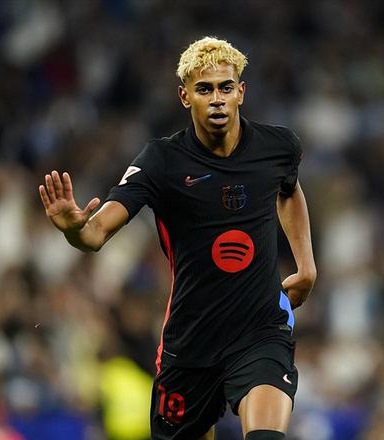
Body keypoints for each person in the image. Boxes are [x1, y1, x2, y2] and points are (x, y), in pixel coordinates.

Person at [39, 36, 316, 440]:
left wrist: (306, 265)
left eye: (225, 87)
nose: (217, 99)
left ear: (241, 92)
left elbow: (289, 190)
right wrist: (74, 228)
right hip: (191, 343)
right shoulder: (161, 162)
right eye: (204, 89)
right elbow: (96, 235)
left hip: (260, 331)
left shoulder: (278, 147)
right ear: (185, 96)